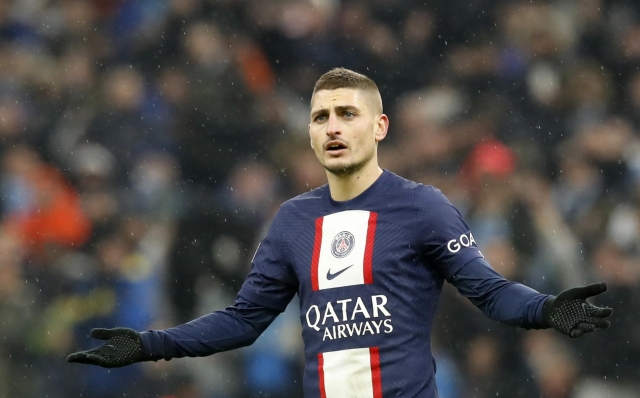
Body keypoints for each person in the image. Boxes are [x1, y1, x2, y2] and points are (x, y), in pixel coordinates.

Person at [67, 68, 612, 398]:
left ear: (379, 127)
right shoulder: (292, 221)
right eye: (320, 116)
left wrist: (546, 308)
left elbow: (489, 291)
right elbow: (243, 321)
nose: (332, 127)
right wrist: (149, 344)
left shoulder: (423, 207)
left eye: (347, 113)